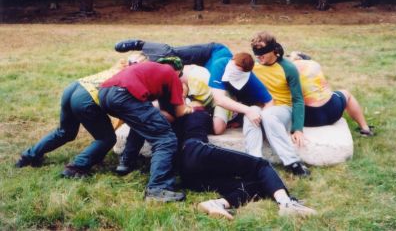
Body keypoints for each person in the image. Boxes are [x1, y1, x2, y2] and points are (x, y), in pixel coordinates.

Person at [116, 52, 274, 176]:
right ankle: (127, 159)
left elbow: (216, 99)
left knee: (217, 128)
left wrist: (192, 109)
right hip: (190, 101)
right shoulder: (162, 78)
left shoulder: (196, 78)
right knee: (146, 115)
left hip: (215, 99)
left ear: (178, 72)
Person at [177, 110, 317, 220]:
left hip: (186, 174)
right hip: (196, 150)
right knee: (261, 165)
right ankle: (287, 204)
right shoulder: (199, 113)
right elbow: (218, 127)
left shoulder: (174, 117)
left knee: (260, 186)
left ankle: (218, 204)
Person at [114, 40, 266, 134]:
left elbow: (221, 102)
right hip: (213, 52)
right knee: (172, 55)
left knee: (172, 67)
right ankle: (140, 45)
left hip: (204, 81)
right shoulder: (222, 66)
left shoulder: (236, 83)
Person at [98, 57, 193, 202]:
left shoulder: (150, 70)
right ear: (179, 71)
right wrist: (191, 109)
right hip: (125, 95)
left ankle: (126, 163)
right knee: (165, 139)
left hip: (104, 94)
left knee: (143, 124)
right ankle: (158, 188)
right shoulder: (172, 75)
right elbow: (179, 112)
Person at [15, 59, 129, 177]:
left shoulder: (120, 66)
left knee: (65, 132)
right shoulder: (132, 78)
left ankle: (28, 157)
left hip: (74, 87)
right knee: (106, 139)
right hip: (86, 98)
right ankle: (76, 168)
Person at [246, 31, 310, 177]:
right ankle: (254, 162)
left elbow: (298, 99)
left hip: (282, 109)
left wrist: (298, 128)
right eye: (256, 53)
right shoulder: (253, 67)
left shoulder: (288, 68)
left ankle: (293, 162)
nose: (258, 56)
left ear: (273, 50)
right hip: (261, 107)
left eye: (262, 53)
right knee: (250, 115)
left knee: (268, 115)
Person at [288, 51, 374, 136]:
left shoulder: (288, 69)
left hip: (307, 119)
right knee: (346, 94)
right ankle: (365, 128)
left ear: (298, 57)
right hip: (333, 112)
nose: (287, 57)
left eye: (289, 55)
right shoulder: (314, 64)